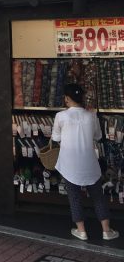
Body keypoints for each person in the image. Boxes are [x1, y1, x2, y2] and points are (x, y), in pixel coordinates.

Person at [52, 84, 119, 241]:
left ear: (67, 98)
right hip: (89, 163)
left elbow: (55, 138)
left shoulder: (61, 116)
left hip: (69, 164)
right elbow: (97, 136)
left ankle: (81, 231)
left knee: (74, 197)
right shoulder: (91, 116)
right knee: (98, 196)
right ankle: (106, 231)